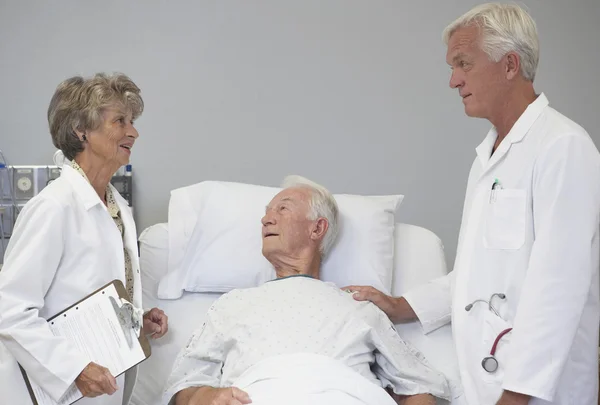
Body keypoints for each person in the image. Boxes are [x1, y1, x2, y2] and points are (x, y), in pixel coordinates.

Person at [346, 3, 600, 405]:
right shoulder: (488, 158)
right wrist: (400, 306)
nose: (453, 80)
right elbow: (475, 274)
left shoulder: (562, 147)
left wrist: (515, 396)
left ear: (510, 65)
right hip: (485, 382)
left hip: (535, 391)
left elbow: (559, 287)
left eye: (463, 63)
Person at [162, 175, 451, 405]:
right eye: (266, 213)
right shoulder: (232, 305)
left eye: (282, 209)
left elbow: (419, 385)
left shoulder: (359, 306)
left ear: (317, 229)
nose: (266, 219)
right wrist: (206, 397)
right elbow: (184, 384)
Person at [0, 73, 169, 405]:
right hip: (52, 391)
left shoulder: (118, 209)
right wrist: (73, 368)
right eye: (120, 120)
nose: (133, 132)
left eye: (132, 121)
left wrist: (135, 317)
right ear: (82, 130)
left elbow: (89, 290)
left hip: (102, 384)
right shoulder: (53, 206)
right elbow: (10, 310)